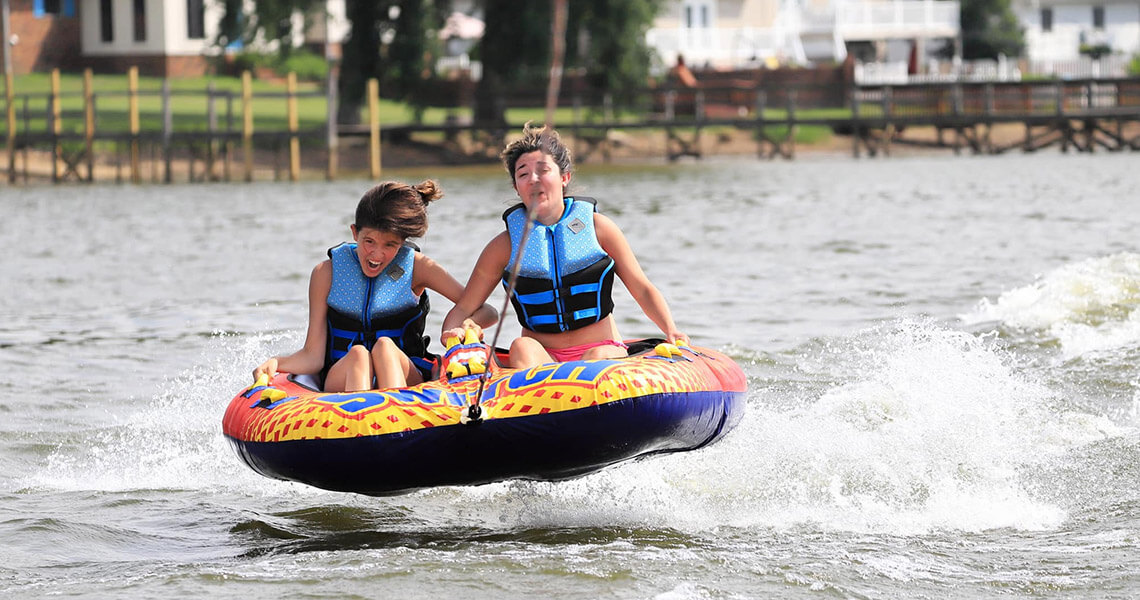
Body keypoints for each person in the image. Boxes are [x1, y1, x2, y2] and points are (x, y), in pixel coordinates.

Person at [441, 123, 686, 369]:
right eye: (523, 174)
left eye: (543, 170)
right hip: (540, 357)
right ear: (517, 187)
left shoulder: (599, 228)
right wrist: (451, 333)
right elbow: (464, 307)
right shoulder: (503, 246)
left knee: (596, 358)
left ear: (564, 177)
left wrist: (670, 329)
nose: (533, 180)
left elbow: (642, 288)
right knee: (521, 347)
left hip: (601, 350)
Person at [253, 180, 496, 391]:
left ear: (402, 243)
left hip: (404, 371)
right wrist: (277, 362)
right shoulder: (325, 273)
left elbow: (487, 310)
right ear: (354, 232)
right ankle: (358, 430)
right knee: (358, 354)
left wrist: (464, 326)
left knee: (385, 347)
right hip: (344, 375)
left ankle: (398, 423)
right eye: (368, 241)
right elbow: (313, 357)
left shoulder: (419, 268)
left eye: (390, 245)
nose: (376, 254)